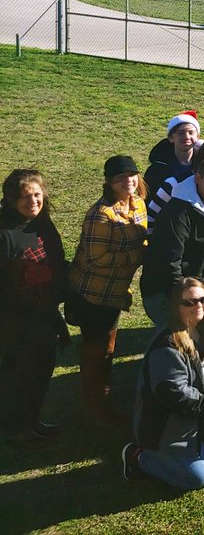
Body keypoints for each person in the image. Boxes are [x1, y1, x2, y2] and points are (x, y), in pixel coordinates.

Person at [123, 277, 204, 489]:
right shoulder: (167, 345)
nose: (199, 306)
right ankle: (138, 456)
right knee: (201, 476)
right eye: (189, 302)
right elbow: (174, 393)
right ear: (175, 306)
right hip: (166, 425)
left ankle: (195, 446)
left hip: (196, 414)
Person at [66, 156, 147, 421]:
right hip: (92, 294)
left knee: (108, 347)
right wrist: (134, 257)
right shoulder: (101, 214)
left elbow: (142, 239)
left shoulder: (138, 204)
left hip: (115, 293)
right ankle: (95, 404)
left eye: (131, 175)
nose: (128, 181)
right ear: (109, 183)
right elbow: (94, 258)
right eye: (120, 178)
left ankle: (104, 394)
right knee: (96, 349)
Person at [0, 169, 67, 448]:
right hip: (15, 321)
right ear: (12, 200)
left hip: (44, 314)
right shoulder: (4, 233)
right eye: (25, 197)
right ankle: (15, 430)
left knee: (41, 369)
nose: (33, 202)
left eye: (37, 195)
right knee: (18, 376)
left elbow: (58, 262)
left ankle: (31, 420)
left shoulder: (43, 225)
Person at [141, 153, 204, 328]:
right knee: (180, 347)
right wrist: (186, 301)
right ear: (198, 178)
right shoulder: (178, 212)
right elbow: (169, 261)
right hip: (171, 294)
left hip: (199, 293)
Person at [145, 111, 201, 229]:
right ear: (171, 137)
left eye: (191, 132)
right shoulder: (156, 170)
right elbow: (147, 201)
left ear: (198, 137)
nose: (186, 137)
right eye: (181, 133)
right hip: (164, 225)